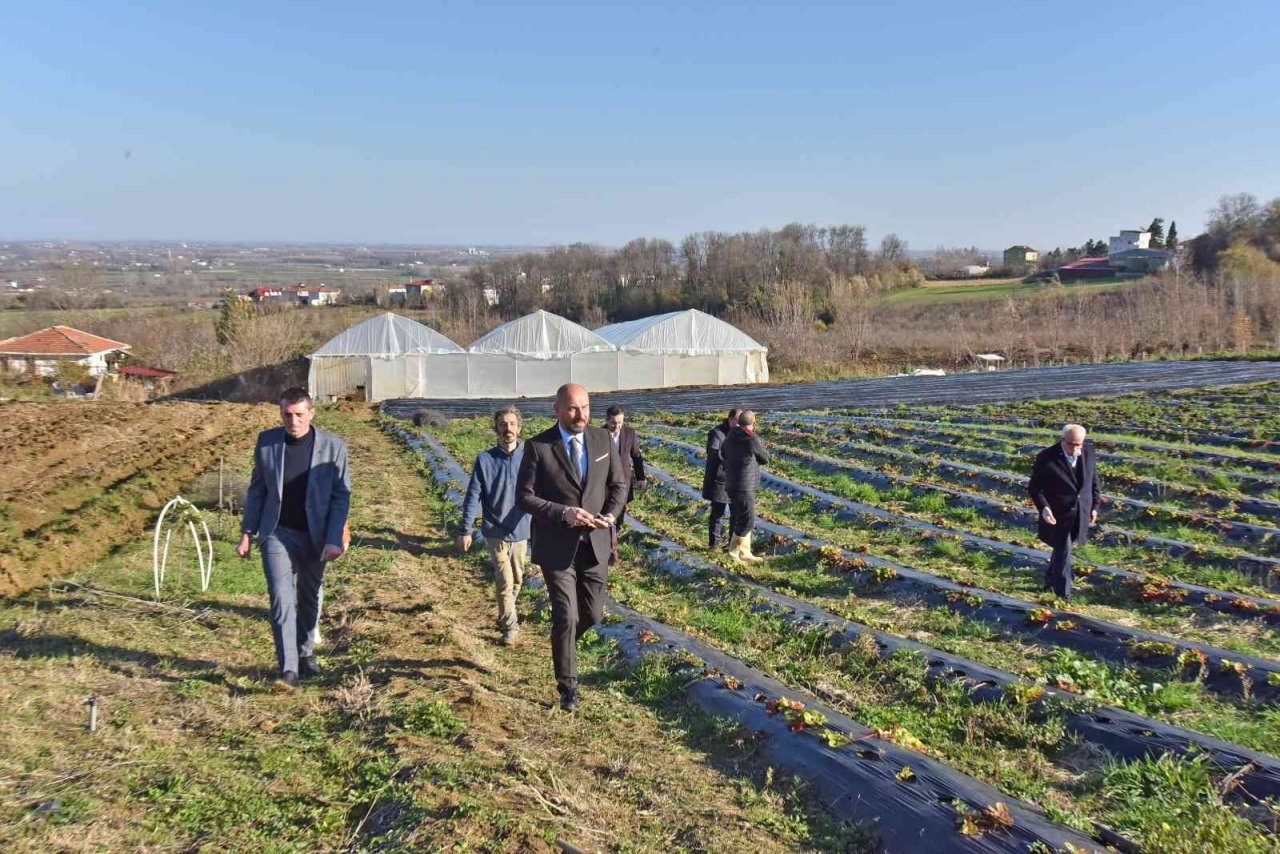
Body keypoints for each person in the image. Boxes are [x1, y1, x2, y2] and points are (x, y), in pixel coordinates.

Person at [516, 383, 627, 711]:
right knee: (566, 615)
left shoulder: (602, 439)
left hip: (595, 544)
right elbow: (524, 496)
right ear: (558, 410)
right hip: (557, 546)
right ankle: (568, 687)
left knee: (591, 616)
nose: (581, 415)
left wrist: (610, 513)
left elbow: (619, 484)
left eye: (586, 407)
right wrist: (563, 513)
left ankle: (563, 648)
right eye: (573, 409)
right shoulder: (538, 447)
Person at [238, 387, 351, 690]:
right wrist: (247, 532)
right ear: (281, 414)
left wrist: (334, 537)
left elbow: (342, 497)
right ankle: (288, 670)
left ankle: (305, 652)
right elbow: (257, 490)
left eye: (299, 414)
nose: (293, 421)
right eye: (287, 414)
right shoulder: (267, 443)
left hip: (316, 535)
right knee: (281, 598)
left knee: (308, 596)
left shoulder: (334, 447)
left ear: (311, 413)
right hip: (277, 532)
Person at [458, 406, 532, 646]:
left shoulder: (530, 457)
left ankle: (504, 614)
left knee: (517, 581)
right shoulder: (485, 460)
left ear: (519, 428)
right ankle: (510, 628)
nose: (507, 429)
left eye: (512, 424)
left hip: (521, 529)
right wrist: (465, 529)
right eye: (503, 424)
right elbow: (472, 496)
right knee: (504, 582)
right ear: (496, 429)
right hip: (495, 530)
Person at [1028, 424, 1100, 600]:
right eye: (1071, 444)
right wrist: (1044, 507)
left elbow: (1094, 482)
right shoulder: (1047, 457)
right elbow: (1035, 487)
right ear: (1062, 440)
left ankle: (1049, 580)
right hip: (1057, 513)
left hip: (1081, 511)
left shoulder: (1089, 452)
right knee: (1064, 550)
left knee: (1064, 548)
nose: (1075, 448)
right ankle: (1063, 594)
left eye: (1079, 444)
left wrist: (1094, 507)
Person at [720, 410, 769, 564]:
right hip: (744, 484)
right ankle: (734, 553)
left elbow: (723, 455)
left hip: (731, 482)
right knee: (747, 520)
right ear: (753, 423)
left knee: (742, 517)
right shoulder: (751, 438)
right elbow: (765, 458)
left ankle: (745, 551)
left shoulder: (729, 437)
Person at [603, 404, 646, 564]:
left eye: (620, 422)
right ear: (607, 420)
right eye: (614, 423)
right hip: (604, 484)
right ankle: (610, 550)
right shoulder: (599, 434)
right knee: (607, 515)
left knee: (619, 517)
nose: (617, 426)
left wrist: (640, 477)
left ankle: (613, 543)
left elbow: (636, 456)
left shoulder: (629, 433)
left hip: (624, 483)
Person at [701, 408, 740, 549]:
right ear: (730, 419)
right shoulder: (717, 434)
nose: (738, 425)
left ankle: (732, 545)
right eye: (736, 421)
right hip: (720, 480)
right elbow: (714, 454)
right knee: (717, 513)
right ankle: (714, 545)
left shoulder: (740, 434)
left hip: (737, 481)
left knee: (735, 515)